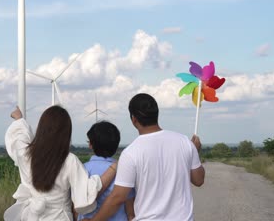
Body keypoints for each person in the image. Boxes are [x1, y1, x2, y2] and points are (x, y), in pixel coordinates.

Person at [85, 93, 205, 221]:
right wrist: (194, 152)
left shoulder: (130, 153)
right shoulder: (185, 142)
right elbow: (198, 180)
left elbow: (118, 197)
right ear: (157, 114)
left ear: (134, 119)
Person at [4, 105, 118, 221]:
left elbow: (19, 138)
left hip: (31, 217)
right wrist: (114, 167)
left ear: (42, 128)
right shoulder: (69, 160)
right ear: (66, 133)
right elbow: (86, 192)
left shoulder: (26, 154)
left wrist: (19, 120)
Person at [77, 121, 135, 221]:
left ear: (90, 144)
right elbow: (130, 210)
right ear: (116, 146)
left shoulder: (81, 169)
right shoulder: (124, 170)